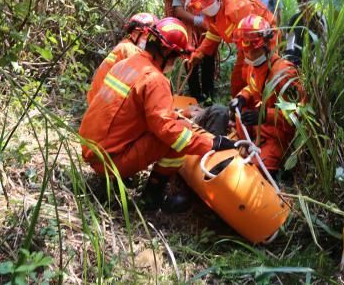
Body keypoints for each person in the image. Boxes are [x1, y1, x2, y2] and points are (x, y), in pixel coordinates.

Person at [79, 17, 236, 211]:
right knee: (179, 135)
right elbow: (168, 130)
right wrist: (213, 143)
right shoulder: (155, 79)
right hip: (109, 161)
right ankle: (152, 197)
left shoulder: (126, 63)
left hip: (92, 149)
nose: (175, 62)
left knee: (175, 126)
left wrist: (180, 114)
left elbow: (140, 113)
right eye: (176, 56)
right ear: (167, 52)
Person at [229, 14, 305, 177]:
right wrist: (242, 97)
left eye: (253, 50)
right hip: (259, 127)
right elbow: (253, 87)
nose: (249, 55)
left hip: (278, 134)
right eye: (245, 51)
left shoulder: (284, 74)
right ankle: (246, 143)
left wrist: (264, 116)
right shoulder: (254, 65)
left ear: (266, 45)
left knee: (257, 172)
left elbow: (297, 114)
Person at [186, 0, 277, 96]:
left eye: (203, 3)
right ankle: (240, 108)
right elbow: (214, 34)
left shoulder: (237, 9)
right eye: (198, 6)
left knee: (259, 77)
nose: (202, 8)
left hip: (262, 40)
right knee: (239, 79)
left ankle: (261, 110)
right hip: (245, 44)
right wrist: (199, 53)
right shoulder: (214, 15)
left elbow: (254, 36)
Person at [164, 0, 215, 102]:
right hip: (189, 30)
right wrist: (197, 20)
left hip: (206, 30)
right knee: (191, 60)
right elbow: (178, 11)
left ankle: (208, 94)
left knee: (208, 60)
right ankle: (196, 95)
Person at [87, 12, 158, 105]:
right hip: (104, 104)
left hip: (97, 101)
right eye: (147, 35)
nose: (150, 40)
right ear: (135, 33)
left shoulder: (124, 45)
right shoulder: (130, 50)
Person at [284, 0, 327, 67]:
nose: (301, 3)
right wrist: (290, 55)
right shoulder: (294, 18)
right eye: (299, 0)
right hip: (297, 59)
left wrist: (316, 61)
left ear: (313, 2)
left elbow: (324, 41)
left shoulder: (320, 18)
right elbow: (289, 38)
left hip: (316, 62)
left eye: (305, 0)